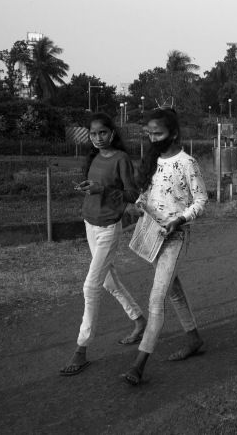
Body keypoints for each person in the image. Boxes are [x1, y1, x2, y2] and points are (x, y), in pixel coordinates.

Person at [122, 108, 208, 386]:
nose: (152, 138)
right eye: (149, 133)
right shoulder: (153, 159)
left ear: (173, 133)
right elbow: (150, 192)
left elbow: (201, 201)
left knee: (156, 299)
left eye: (157, 133)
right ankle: (194, 339)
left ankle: (139, 364)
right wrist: (141, 202)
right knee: (173, 292)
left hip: (175, 237)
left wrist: (180, 219)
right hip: (153, 234)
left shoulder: (187, 162)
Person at [60, 113, 146, 376]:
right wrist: (89, 189)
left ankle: (81, 348)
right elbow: (97, 187)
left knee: (90, 285)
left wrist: (104, 190)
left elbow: (132, 194)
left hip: (109, 227)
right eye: (93, 134)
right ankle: (139, 320)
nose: (97, 138)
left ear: (112, 133)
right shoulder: (93, 156)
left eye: (102, 133)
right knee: (108, 282)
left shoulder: (120, 158)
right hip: (90, 224)